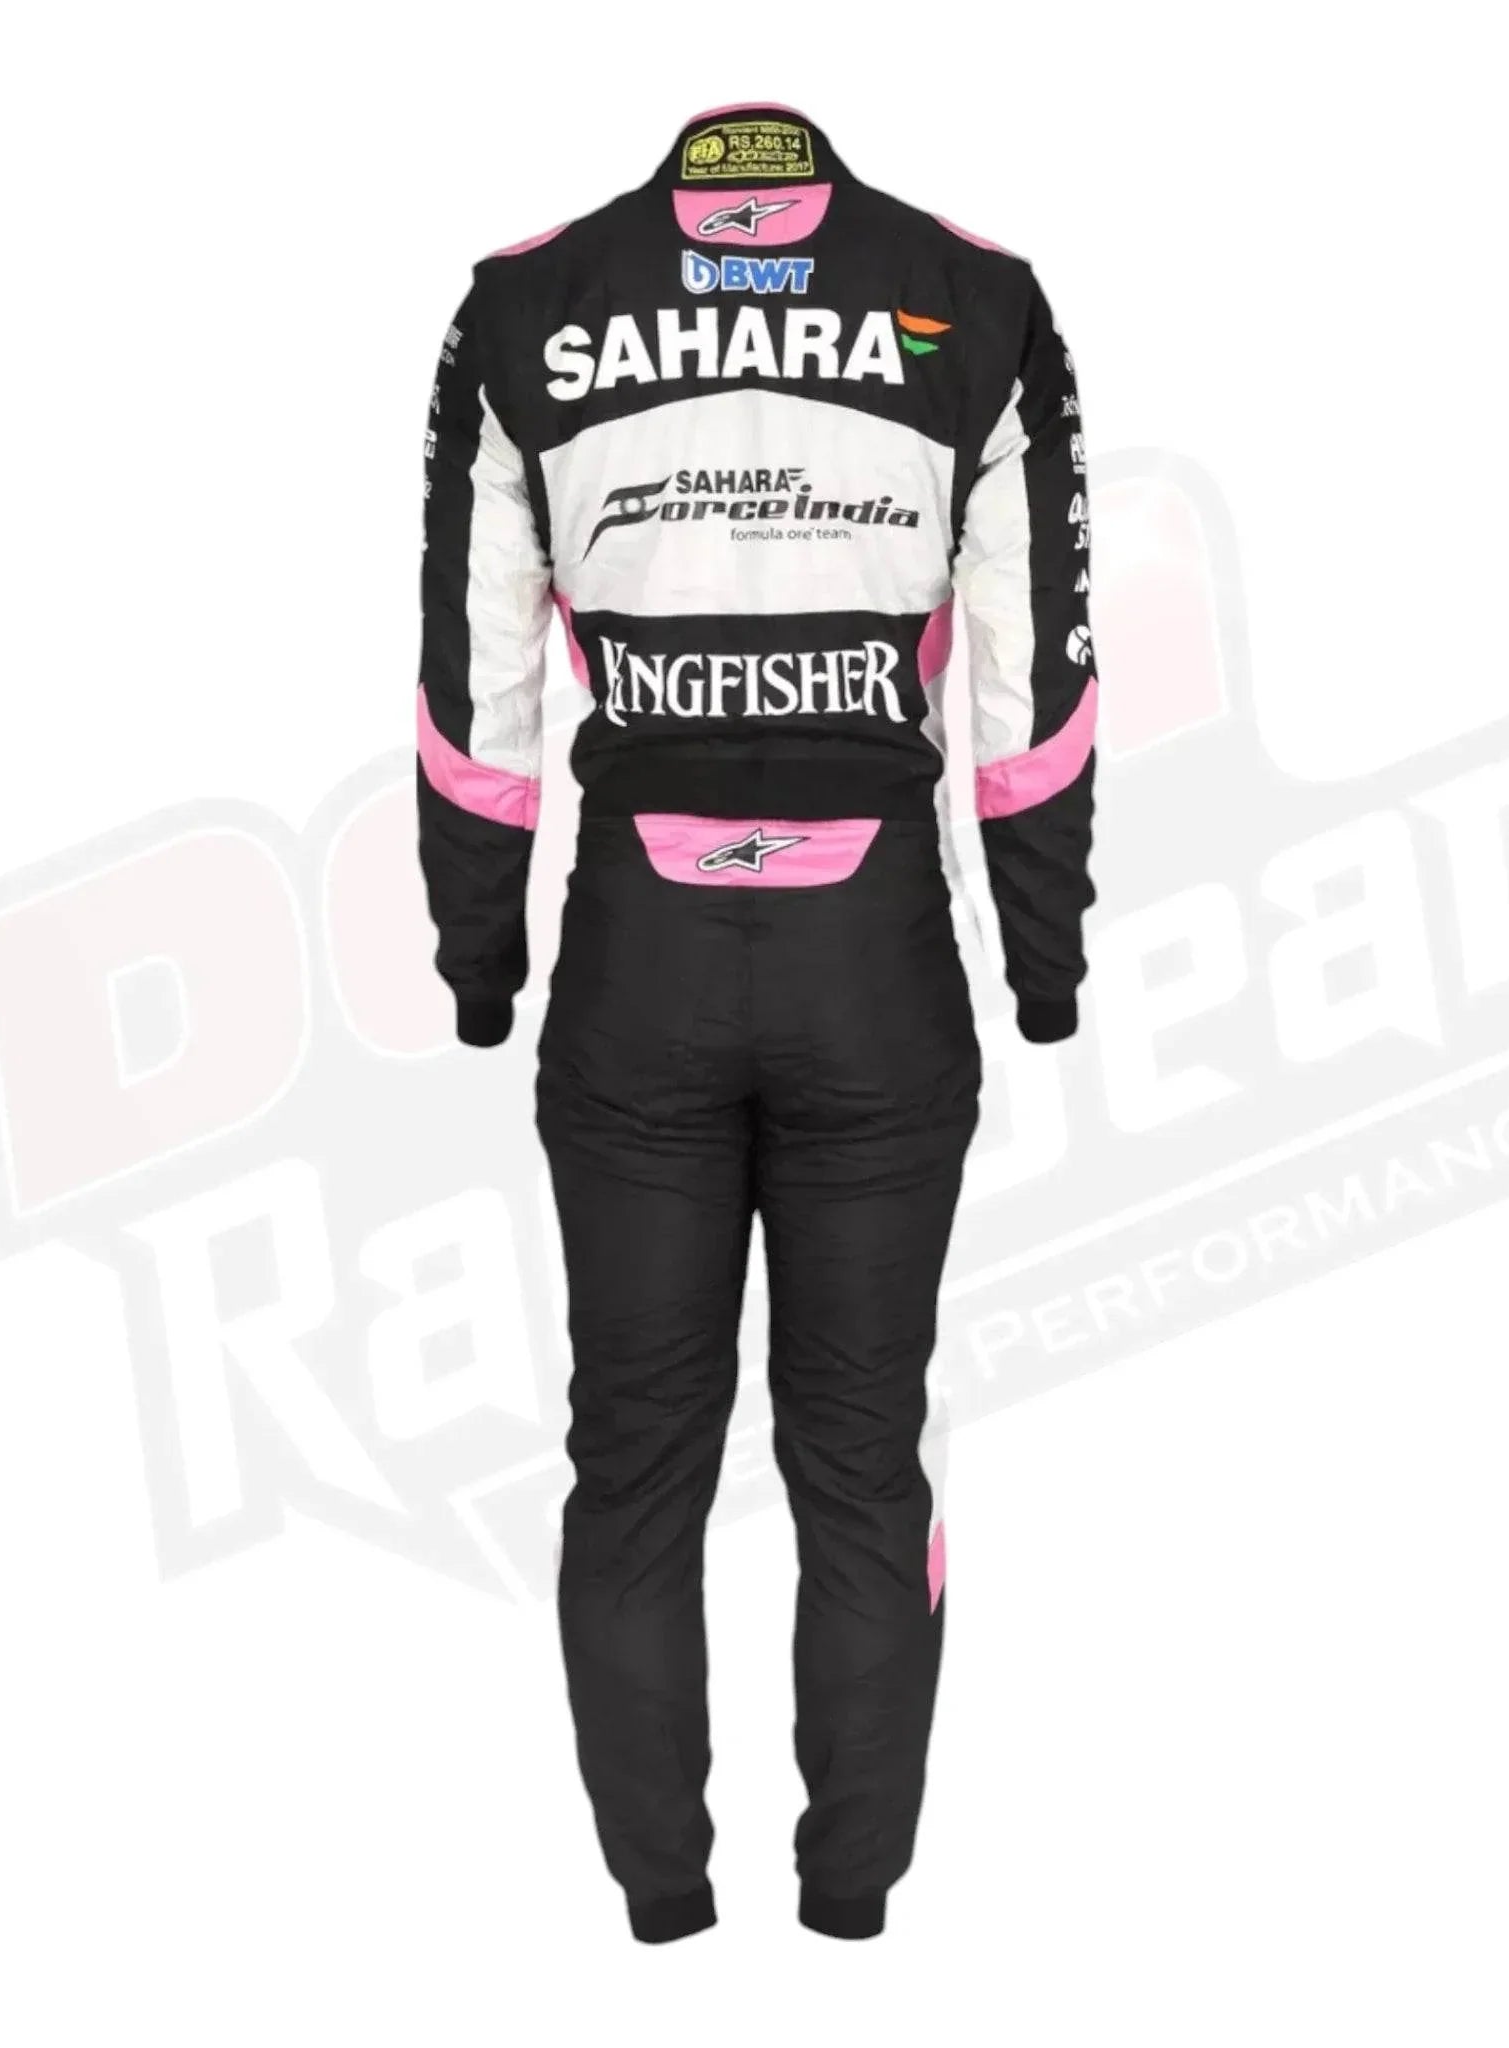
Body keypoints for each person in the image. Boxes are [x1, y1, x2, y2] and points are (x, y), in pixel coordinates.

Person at [417, 104, 1096, 1943]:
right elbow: (1036, 684)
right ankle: (850, 1901)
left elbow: (475, 693)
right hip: (875, 967)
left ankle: (663, 1903)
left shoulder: (524, 309)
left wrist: (480, 961)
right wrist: (1045, 961)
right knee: (861, 1458)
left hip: (633, 962)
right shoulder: (978, 302)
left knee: (636, 1459)